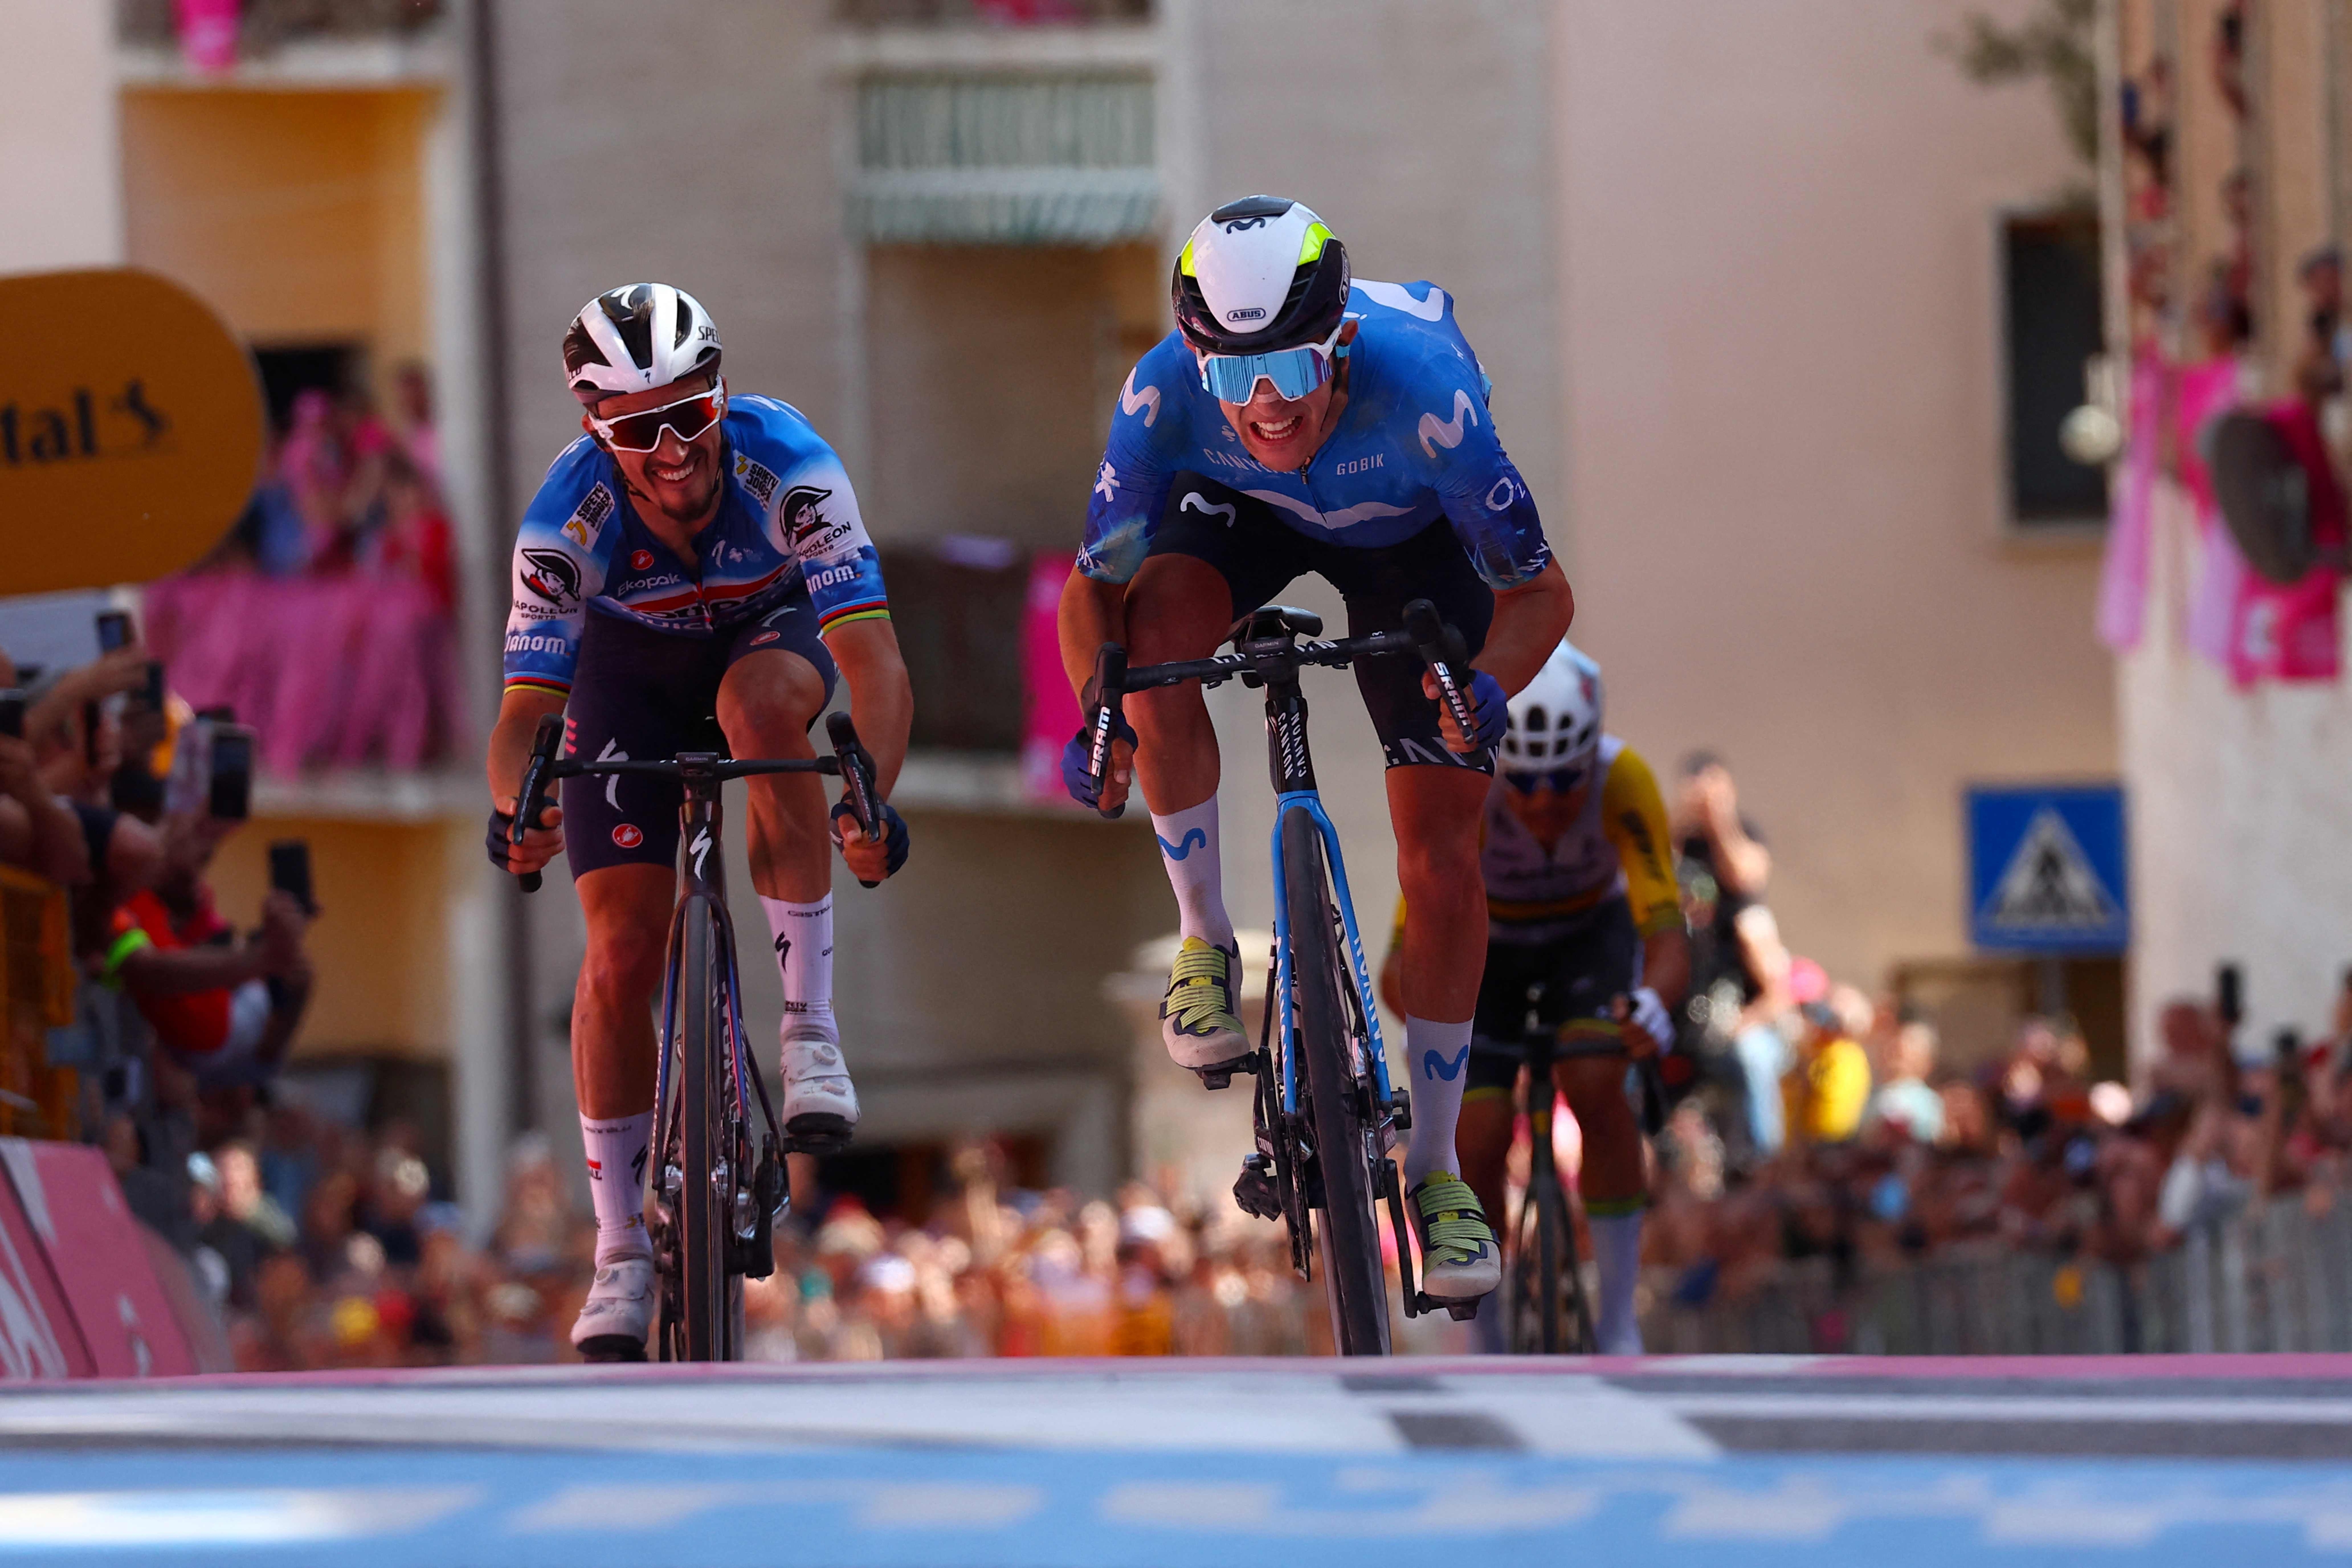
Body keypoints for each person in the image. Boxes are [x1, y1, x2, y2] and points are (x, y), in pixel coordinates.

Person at [1057, 197, 1574, 1302]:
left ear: (1338, 340)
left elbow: (1540, 595)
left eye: (1288, 369)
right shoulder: (1162, 397)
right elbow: (1088, 593)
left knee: (1441, 853)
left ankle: (1436, 1172)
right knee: (1148, 642)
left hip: (1411, 541)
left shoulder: (1430, 397)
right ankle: (1203, 940)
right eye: (1231, 376)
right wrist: (1097, 713)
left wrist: (1486, 693)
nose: (1263, 406)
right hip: (1237, 517)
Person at [486, 283, 914, 1360]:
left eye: (694, 411)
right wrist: (517, 811)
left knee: (761, 709)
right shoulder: (564, 519)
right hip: (624, 680)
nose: (674, 449)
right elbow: (522, 719)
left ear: (724, 396)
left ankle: (809, 1031)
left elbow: (872, 662)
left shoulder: (792, 464)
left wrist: (873, 797)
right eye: (640, 429)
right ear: (597, 433)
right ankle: (622, 1249)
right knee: (619, 954)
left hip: (764, 645)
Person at [1379, 640, 1688, 1353]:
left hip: (1591, 938)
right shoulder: (1473, 788)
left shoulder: (1625, 777)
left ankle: (1617, 1319)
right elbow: (1408, 955)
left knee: (1596, 1079)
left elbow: (1667, 930)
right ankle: (1481, 1332)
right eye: (1528, 785)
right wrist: (1423, 1025)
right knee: (1479, 1132)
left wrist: (1651, 1004)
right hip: (1491, 950)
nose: (1546, 803)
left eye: (1565, 782)